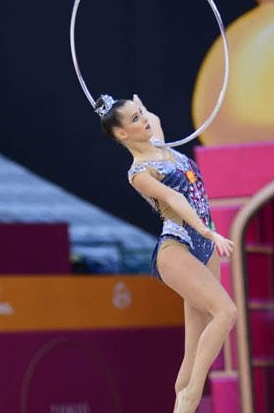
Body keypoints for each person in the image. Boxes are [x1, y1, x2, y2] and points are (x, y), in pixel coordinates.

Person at [96, 94, 237, 413]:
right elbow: (174, 200)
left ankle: (183, 402)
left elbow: (155, 119)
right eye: (134, 120)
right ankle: (192, 396)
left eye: (141, 114)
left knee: (191, 355)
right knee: (227, 313)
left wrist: (139, 107)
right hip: (179, 248)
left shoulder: (159, 144)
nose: (143, 120)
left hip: (204, 250)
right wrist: (205, 230)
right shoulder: (139, 173)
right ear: (121, 135)